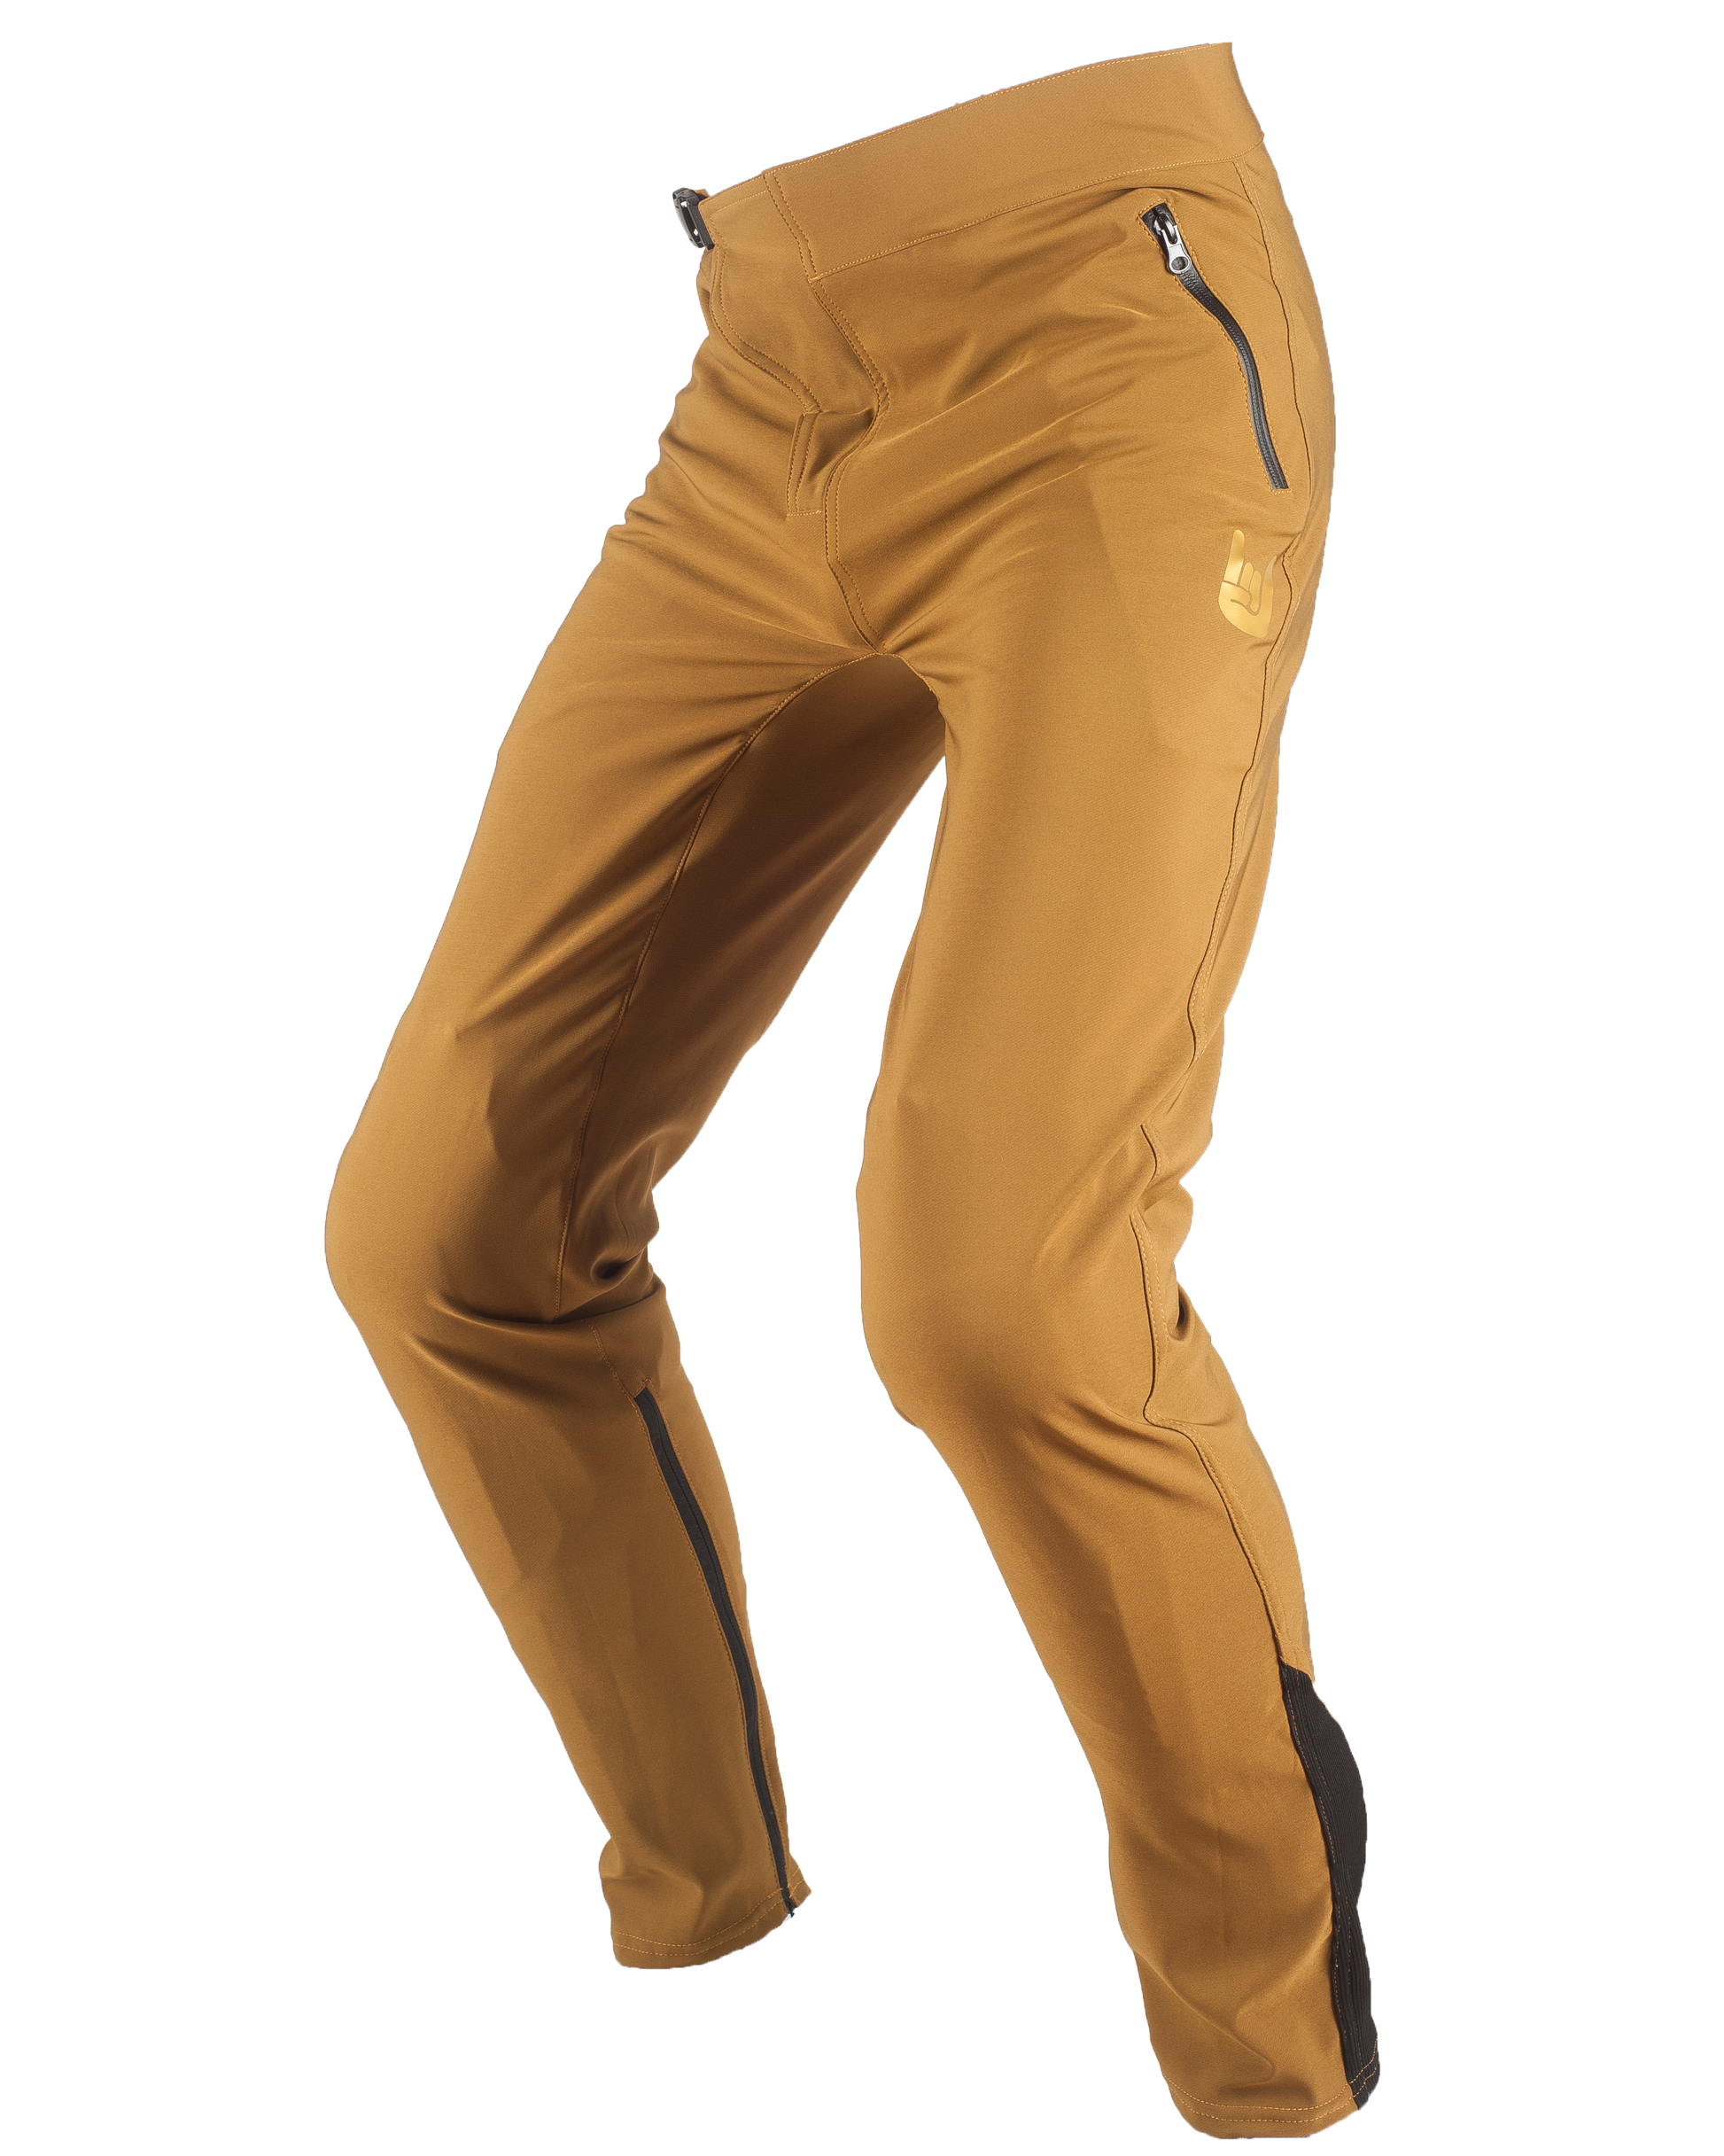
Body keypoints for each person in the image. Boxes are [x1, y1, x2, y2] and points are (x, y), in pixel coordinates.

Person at [323, 39, 1377, 2139]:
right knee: (442, 1226)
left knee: (1000, 1292)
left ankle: (1266, 2064)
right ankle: (708, 1912)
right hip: (767, 377)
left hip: (1107, 329)